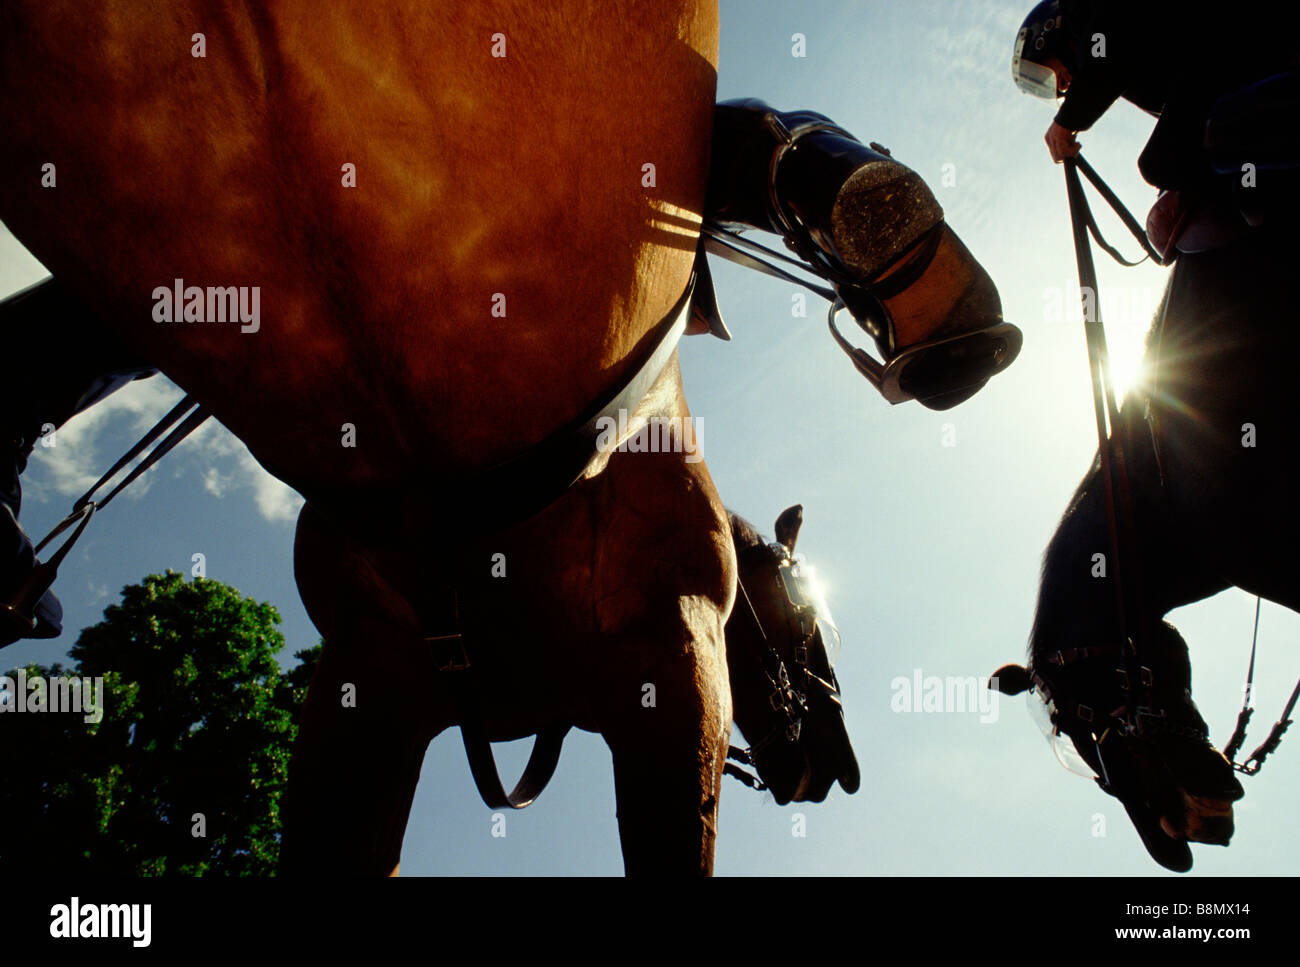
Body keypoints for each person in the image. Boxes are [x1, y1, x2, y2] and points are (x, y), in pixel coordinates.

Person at [1012, 0, 1300, 193]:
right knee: (1171, 162)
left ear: (1045, 35)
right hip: (1211, 68)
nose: (1059, 87)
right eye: (1046, 89)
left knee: (1161, 162)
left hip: (1230, 42)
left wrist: (1067, 120)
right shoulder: (1109, 70)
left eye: (1042, 77)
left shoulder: (1082, 12)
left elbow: (1112, 51)